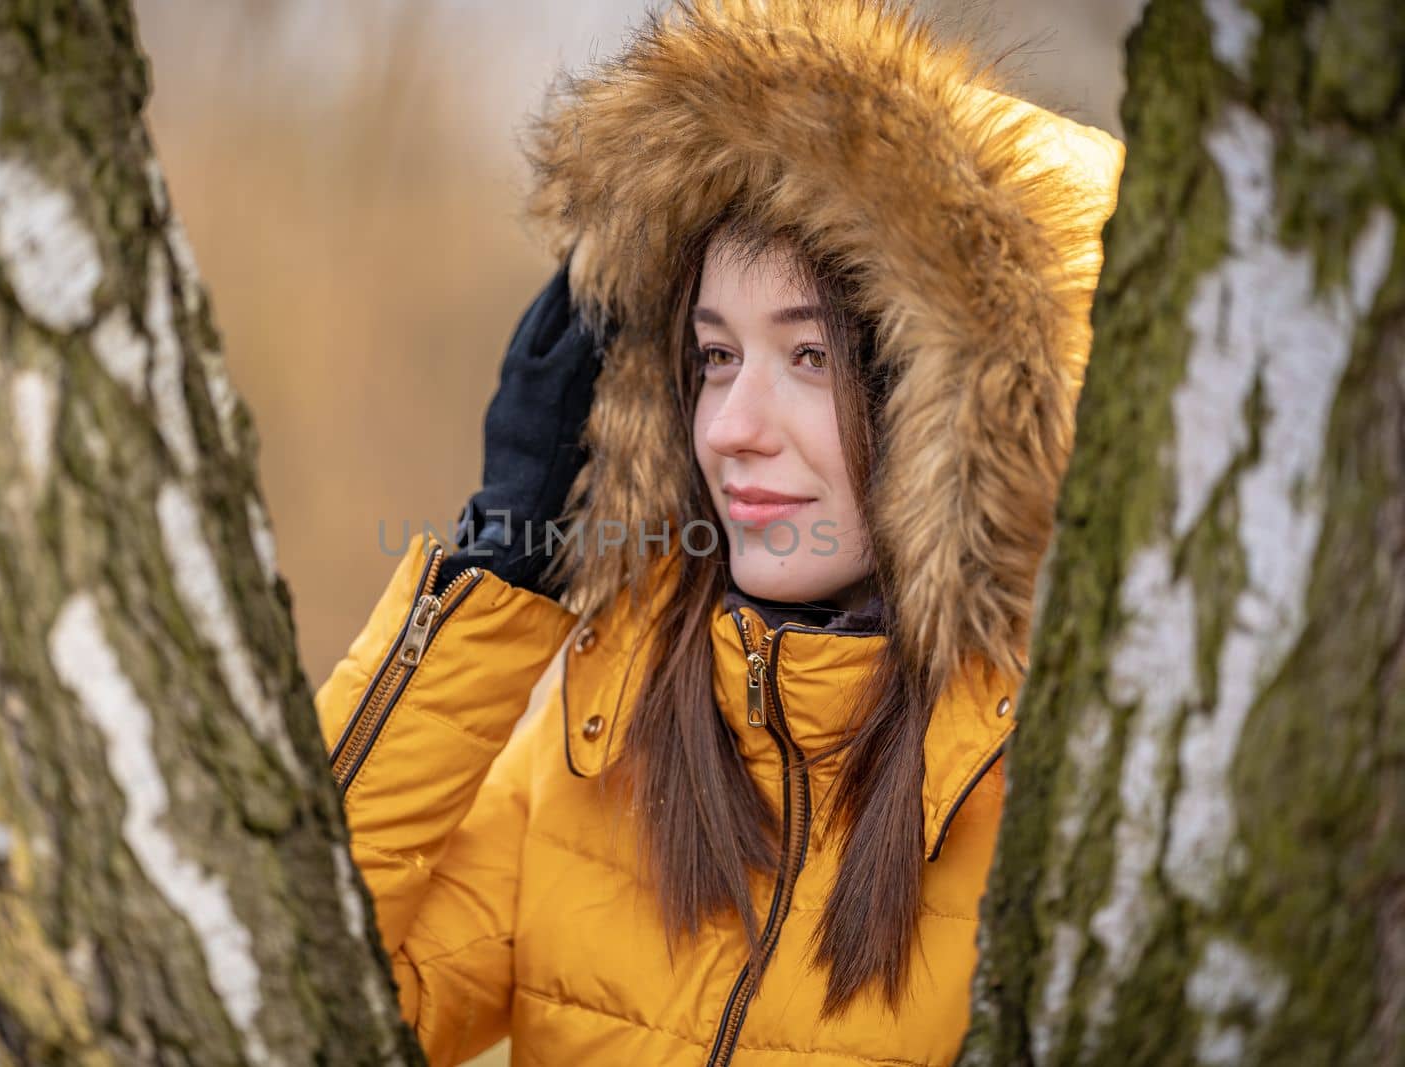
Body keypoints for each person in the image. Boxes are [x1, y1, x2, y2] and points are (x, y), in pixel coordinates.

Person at [315, 2, 1123, 1064]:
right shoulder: (603, 741)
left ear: (962, 412)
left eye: (809, 358)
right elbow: (276, 993)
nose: (731, 430)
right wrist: (494, 575)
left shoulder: (1085, 810)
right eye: (713, 357)